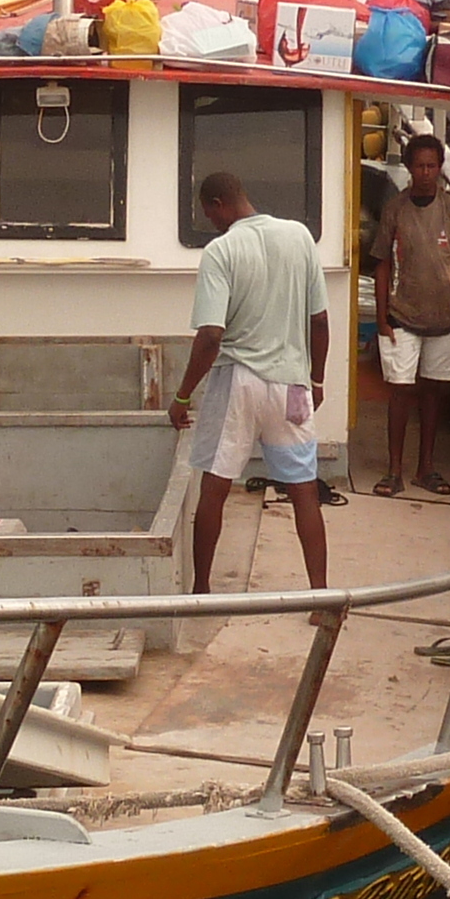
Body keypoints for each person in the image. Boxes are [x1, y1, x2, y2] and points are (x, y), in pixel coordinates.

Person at [168, 170, 333, 593]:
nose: (210, 222)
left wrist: (182, 396)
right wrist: (316, 380)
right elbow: (319, 321)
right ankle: (319, 596)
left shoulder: (221, 251)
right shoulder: (299, 238)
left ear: (218, 204)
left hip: (237, 381)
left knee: (215, 486)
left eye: (208, 213)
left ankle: (201, 591)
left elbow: (210, 336)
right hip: (292, 384)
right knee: (304, 492)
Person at [368, 131, 450, 497]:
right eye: (419, 166)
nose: (426, 172)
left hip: (446, 320)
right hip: (402, 316)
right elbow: (379, 266)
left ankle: (426, 467)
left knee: (435, 395)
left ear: (440, 169)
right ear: (408, 168)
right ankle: (394, 470)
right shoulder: (395, 210)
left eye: (432, 166)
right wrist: (381, 318)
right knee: (400, 393)